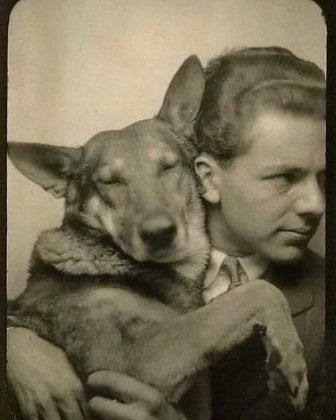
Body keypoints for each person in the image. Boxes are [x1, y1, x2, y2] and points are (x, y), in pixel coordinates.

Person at [7, 47, 326, 420]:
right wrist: (13, 341)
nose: (316, 204)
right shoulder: (79, 281)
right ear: (206, 175)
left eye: (325, 178)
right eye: (284, 177)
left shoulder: (323, 305)